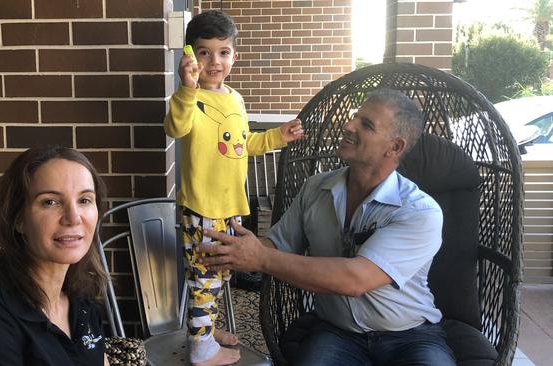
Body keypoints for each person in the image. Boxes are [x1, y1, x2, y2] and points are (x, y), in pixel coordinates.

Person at [200, 89, 457, 365]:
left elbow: (355, 280)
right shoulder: (316, 188)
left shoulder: (420, 212)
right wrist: (221, 248)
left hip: (411, 336)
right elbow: (275, 245)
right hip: (337, 333)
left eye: (366, 125)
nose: (348, 126)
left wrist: (262, 259)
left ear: (394, 147)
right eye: (354, 117)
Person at [163, 9, 305, 366]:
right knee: (205, 280)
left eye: (223, 52)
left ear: (233, 56)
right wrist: (185, 88)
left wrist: (278, 136)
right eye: (204, 52)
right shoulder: (190, 98)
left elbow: (243, 144)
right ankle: (201, 349)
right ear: (190, 57)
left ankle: (205, 333)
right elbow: (175, 129)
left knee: (220, 273)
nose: (215, 61)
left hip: (230, 206)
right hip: (202, 208)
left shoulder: (236, 99)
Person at [0, 146, 111, 366]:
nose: (73, 218)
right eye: (50, 202)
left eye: (84, 200)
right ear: (19, 219)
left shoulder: (81, 302)